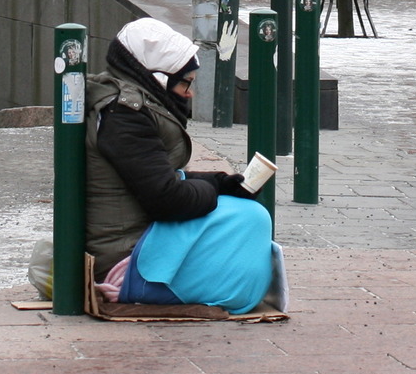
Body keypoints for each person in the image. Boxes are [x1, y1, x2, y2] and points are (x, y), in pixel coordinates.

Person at [84, 18, 278, 313]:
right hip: (125, 256)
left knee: (247, 213)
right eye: (186, 83)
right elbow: (167, 200)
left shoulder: (126, 105)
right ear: (158, 77)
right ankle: (150, 286)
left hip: (139, 236)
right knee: (249, 218)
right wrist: (215, 191)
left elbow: (155, 177)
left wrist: (220, 182)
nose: (190, 94)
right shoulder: (125, 115)